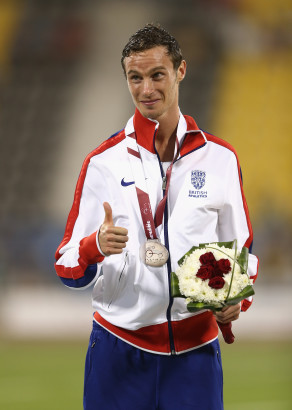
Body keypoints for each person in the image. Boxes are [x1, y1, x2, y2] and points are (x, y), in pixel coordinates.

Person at [55, 23, 259, 410]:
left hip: (195, 354)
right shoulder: (102, 164)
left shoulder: (220, 160)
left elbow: (242, 253)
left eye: (157, 75)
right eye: (135, 77)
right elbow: (67, 265)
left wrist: (235, 303)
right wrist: (93, 245)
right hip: (118, 351)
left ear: (181, 71)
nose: (146, 89)